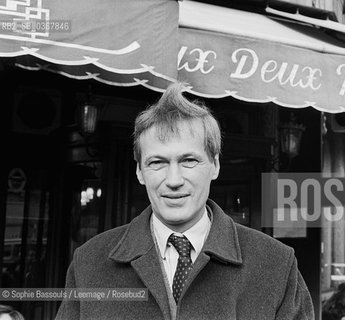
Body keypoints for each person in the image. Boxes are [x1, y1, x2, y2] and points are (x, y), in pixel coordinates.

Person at [55, 82, 314, 320]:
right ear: (139, 172)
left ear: (214, 166)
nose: (174, 179)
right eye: (157, 162)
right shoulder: (90, 262)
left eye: (189, 161)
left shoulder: (275, 265)